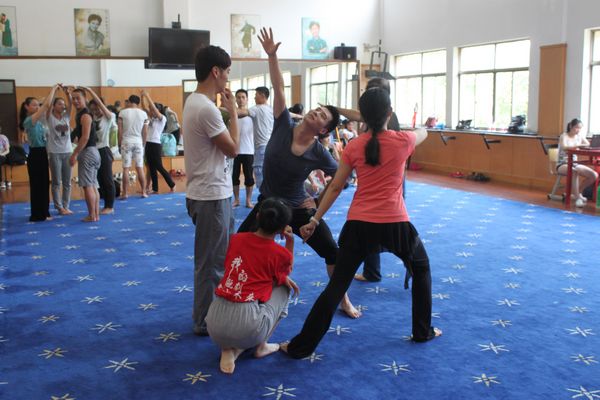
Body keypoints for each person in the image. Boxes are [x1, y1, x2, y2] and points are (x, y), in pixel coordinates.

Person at [282, 87, 442, 358]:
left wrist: (315, 219)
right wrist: (418, 125)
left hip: (359, 225)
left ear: (362, 117)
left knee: (336, 287)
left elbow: (335, 187)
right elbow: (423, 132)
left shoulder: (354, 146)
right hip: (396, 223)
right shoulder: (404, 140)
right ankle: (422, 331)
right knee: (421, 269)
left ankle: (300, 347)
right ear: (389, 113)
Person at [238, 28, 360, 318]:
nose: (315, 112)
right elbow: (279, 87)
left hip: (298, 209)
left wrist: (315, 201)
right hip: (268, 204)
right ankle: (243, 297)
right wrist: (272, 56)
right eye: (316, 109)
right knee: (241, 246)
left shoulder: (319, 152)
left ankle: (343, 299)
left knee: (332, 250)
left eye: (322, 115)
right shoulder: (283, 123)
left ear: (323, 130)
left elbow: (342, 178)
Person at [206, 198, 299, 374]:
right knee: (285, 287)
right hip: (247, 327)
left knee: (246, 285)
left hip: (214, 324)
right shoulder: (280, 253)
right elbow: (286, 272)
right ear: (282, 228)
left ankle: (228, 347)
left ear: (257, 217)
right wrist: (290, 241)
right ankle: (261, 346)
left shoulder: (235, 239)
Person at [183, 45, 239, 336]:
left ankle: (211, 315)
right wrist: (233, 113)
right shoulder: (206, 108)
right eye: (227, 71)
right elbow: (233, 149)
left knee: (217, 259)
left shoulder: (195, 102)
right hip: (211, 195)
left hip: (209, 192)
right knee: (212, 264)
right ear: (215, 72)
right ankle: (205, 321)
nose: (228, 77)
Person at [336, 77, 402, 283]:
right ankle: (373, 271)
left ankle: (373, 270)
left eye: (369, 90)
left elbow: (357, 114)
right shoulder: (383, 114)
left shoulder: (383, 115)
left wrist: (335, 109)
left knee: (379, 225)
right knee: (380, 227)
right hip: (385, 178)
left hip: (387, 179)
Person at [19, 87, 58, 222]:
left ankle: (44, 212)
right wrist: (54, 88)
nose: (37, 107)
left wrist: (52, 94)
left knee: (44, 184)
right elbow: (46, 105)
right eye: (34, 105)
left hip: (42, 153)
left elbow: (47, 106)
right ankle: (37, 214)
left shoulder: (39, 120)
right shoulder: (29, 120)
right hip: (35, 155)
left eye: (38, 105)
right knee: (37, 185)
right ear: (26, 107)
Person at [69, 87, 101, 222]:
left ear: (85, 99)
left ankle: (92, 215)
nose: (75, 101)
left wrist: (74, 154)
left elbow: (85, 137)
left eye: (78, 98)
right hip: (92, 152)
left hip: (88, 152)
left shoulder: (85, 115)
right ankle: (95, 215)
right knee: (92, 185)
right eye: (73, 99)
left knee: (88, 185)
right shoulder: (81, 114)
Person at [85, 86, 117, 214]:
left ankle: (110, 206)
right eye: (93, 109)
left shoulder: (109, 117)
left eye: (97, 108)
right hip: (94, 151)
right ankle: (105, 204)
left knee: (107, 179)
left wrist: (90, 91)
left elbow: (100, 104)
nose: (95, 111)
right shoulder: (92, 118)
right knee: (99, 180)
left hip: (104, 150)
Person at [237, 86, 273, 192]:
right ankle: (268, 195)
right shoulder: (271, 109)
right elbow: (287, 114)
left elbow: (240, 114)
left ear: (262, 96)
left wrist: (224, 108)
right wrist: (299, 116)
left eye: (256, 95)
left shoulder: (256, 108)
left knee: (259, 172)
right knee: (267, 173)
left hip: (261, 147)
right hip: (270, 147)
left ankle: (265, 196)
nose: (254, 97)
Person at [557, 118, 599, 208]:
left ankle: (577, 193)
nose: (578, 130)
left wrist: (580, 144)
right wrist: (578, 145)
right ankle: (577, 199)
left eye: (580, 128)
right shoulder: (564, 136)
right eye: (576, 127)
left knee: (594, 175)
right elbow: (564, 147)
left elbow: (588, 144)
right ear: (571, 126)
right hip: (562, 164)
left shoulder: (579, 136)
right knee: (574, 171)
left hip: (575, 163)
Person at [45, 85, 74, 216]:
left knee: (67, 182)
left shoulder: (66, 117)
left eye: (63, 104)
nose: (63, 106)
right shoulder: (49, 117)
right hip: (54, 152)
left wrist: (67, 93)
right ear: (54, 106)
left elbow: (71, 104)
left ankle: (66, 206)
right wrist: (54, 89)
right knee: (56, 182)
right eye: (60, 104)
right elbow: (47, 105)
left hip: (67, 151)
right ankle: (59, 207)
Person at [141, 91, 176, 194]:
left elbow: (154, 109)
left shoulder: (162, 119)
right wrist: (142, 96)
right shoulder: (151, 118)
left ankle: (172, 184)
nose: (151, 111)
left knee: (159, 167)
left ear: (158, 110)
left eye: (153, 110)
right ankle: (155, 189)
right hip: (148, 144)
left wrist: (148, 96)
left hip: (155, 145)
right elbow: (144, 108)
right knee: (151, 167)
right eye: (151, 110)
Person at [118, 94, 148, 199]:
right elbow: (145, 132)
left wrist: (119, 142)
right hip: (138, 142)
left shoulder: (122, 113)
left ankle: (125, 193)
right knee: (140, 168)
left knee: (126, 168)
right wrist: (143, 143)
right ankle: (144, 192)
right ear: (138, 103)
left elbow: (120, 130)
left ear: (129, 102)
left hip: (126, 142)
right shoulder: (144, 114)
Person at [232, 89, 255, 208]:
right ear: (235, 99)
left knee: (249, 178)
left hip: (248, 151)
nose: (240, 99)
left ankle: (248, 200)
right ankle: (236, 200)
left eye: (243, 97)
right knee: (234, 177)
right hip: (234, 151)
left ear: (247, 99)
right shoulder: (232, 115)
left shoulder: (252, 115)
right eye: (238, 97)